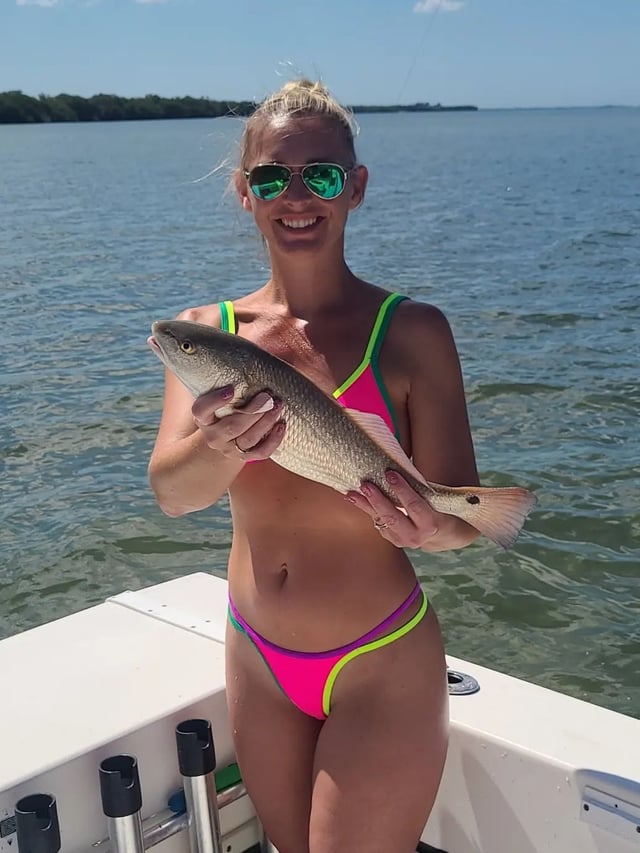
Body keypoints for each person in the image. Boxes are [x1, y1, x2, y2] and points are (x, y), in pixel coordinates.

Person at [148, 78, 481, 853]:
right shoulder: (206, 335)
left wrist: (432, 528)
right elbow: (172, 492)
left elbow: (460, 519)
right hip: (257, 657)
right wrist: (220, 444)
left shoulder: (416, 332)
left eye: (320, 175)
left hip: (378, 660)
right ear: (245, 193)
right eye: (271, 177)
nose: (295, 196)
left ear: (355, 187)